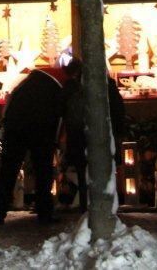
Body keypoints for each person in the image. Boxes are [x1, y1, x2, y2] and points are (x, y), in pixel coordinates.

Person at [0, 64, 72, 226]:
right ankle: (44, 212)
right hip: (41, 132)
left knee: (9, 170)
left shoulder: (26, 84)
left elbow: (9, 105)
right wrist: (56, 140)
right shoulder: (60, 88)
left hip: (16, 129)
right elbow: (61, 116)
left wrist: (7, 127)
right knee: (43, 172)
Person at [61, 58, 126, 213]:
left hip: (81, 139)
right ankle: (104, 207)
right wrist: (119, 133)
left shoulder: (76, 91)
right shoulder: (108, 87)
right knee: (104, 173)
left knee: (84, 175)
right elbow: (118, 112)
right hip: (102, 137)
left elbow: (70, 117)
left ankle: (87, 206)